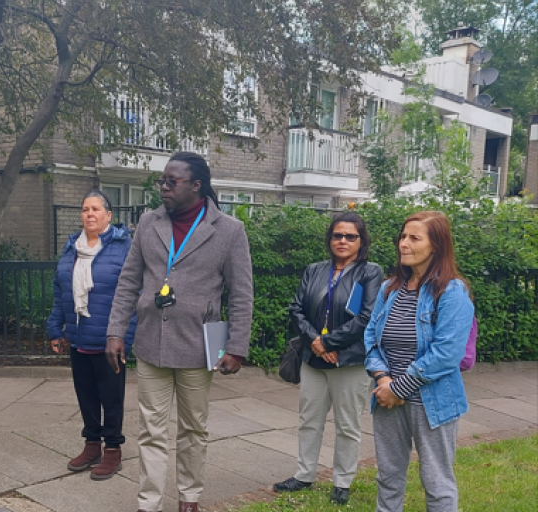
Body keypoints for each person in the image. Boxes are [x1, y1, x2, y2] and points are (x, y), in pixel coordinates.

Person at [105, 152, 254, 512]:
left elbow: (241, 293)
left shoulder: (229, 230)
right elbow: (128, 281)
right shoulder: (148, 223)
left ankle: (189, 497)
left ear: (196, 185)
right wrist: (115, 332)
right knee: (151, 429)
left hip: (198, 346)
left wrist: (236, 346)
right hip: (151, 343)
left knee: (193, 429)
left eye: (172, 182)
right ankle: (149, 503)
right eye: (163, 181)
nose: (164, 187)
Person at [364, 211, 474, 512]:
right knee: (388, 477)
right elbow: (371, 337)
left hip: (432, 402)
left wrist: (398, 388)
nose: (404, 244)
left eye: (414, 238)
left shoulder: (452, 291)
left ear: (436, 245)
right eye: (403, 236)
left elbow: (447, 353)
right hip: (387, 398)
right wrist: (382, 378)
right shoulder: (390, 289)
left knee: (437, 483)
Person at [274, 212, 383, 505]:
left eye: (350, 236)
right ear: (330, 239)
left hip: (349, 361)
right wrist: (316, 342)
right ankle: (304, 475)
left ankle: (342, 482)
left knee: (347, 425)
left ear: (361, 241)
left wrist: (328, 342)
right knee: (309, 420)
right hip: (314, 360)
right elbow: (296, 309)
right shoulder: (315, 270)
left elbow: (367, 316)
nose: (343, 241)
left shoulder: (370, 272)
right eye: (337, 235)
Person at [47, 188, 136, 480]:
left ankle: (113, 450)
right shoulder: (71, 248)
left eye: (95, 209)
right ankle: (92, 446)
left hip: (110, 342)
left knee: (111, 399)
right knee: (86, 396)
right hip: (79, 338)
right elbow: (61, 292)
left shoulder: (123, 247)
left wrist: (125, 338)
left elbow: (135, 295)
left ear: (108, 215)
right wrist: (55, 329)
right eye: (85, 209)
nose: (89, 214)